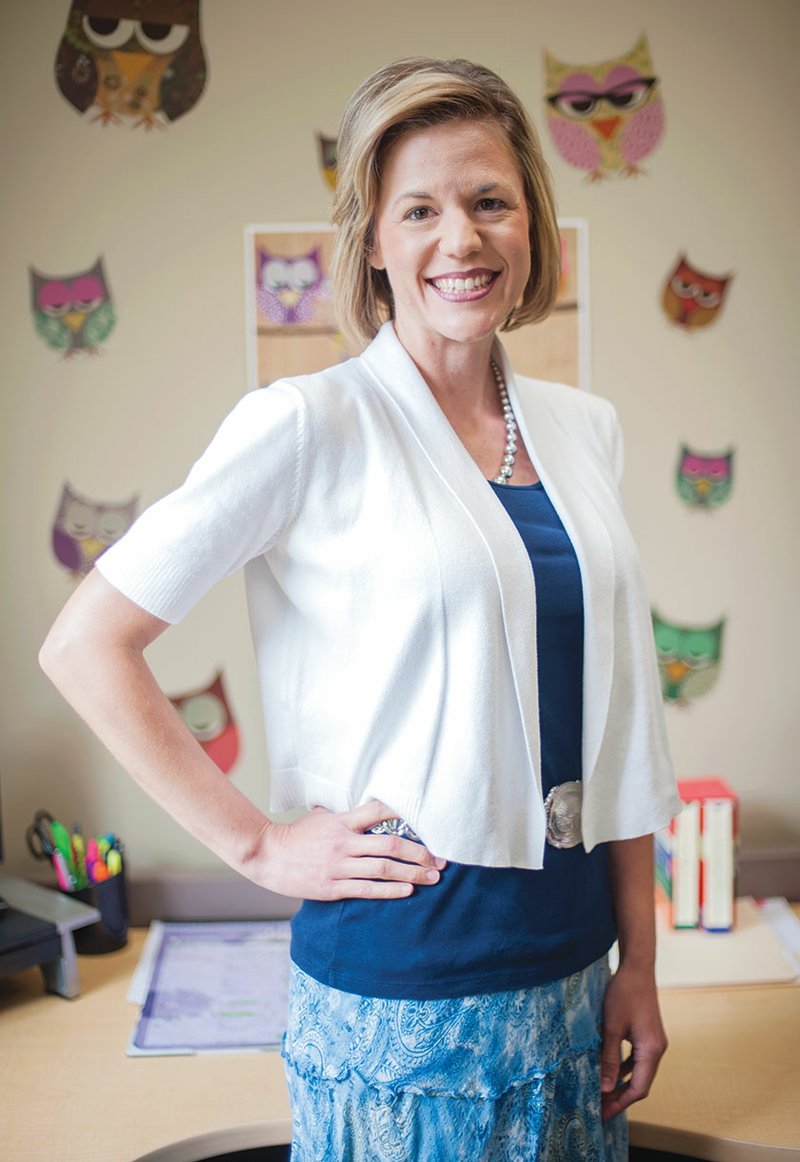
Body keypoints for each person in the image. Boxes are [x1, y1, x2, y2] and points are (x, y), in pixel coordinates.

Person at [40, 56, 680, 1161]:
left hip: (577, 979)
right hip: (407, 993)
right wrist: (256, 843)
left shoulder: (584, 430)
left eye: (489, 201)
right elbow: (86, 641)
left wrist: (640, 963)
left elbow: (613, 722)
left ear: (531, 219)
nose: (462, 239)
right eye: (419, 209)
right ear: (373, 241)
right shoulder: (307, 425)